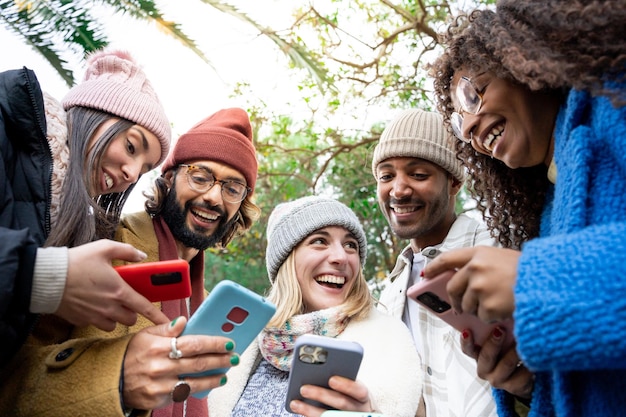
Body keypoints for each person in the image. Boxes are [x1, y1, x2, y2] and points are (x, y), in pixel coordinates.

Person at [424, 1, 626, 416]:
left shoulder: (615, 100)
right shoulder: (547, 216)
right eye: (460, 125)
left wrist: (535, 279)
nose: (466, 128)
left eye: (471, 94)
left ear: (523, 59)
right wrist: (528, 384)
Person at [0, 108, 261, 417]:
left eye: (232, 189)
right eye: (201, 177)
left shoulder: (205, 300)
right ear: (168, 178)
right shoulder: (97, 243)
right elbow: (9, 376)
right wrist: (118, 378)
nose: (214, 198)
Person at [0, 48, 172, 367]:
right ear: (91, 113)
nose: (132, 174)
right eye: (131, 146)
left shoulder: (71, 223)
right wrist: (43, 277)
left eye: (144, 169)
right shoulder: (5, 119)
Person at [208, 195, 422, 417]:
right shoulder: (245, 341)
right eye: (320, 241)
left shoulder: (390, 342)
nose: (341, 257)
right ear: (286, 260)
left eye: (350, 245)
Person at [371, 108, 513, 417]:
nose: (398, 189)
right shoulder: (391, 292)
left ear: (454, 182)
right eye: (386, 176)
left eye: (418, 174)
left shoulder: (501, 250)